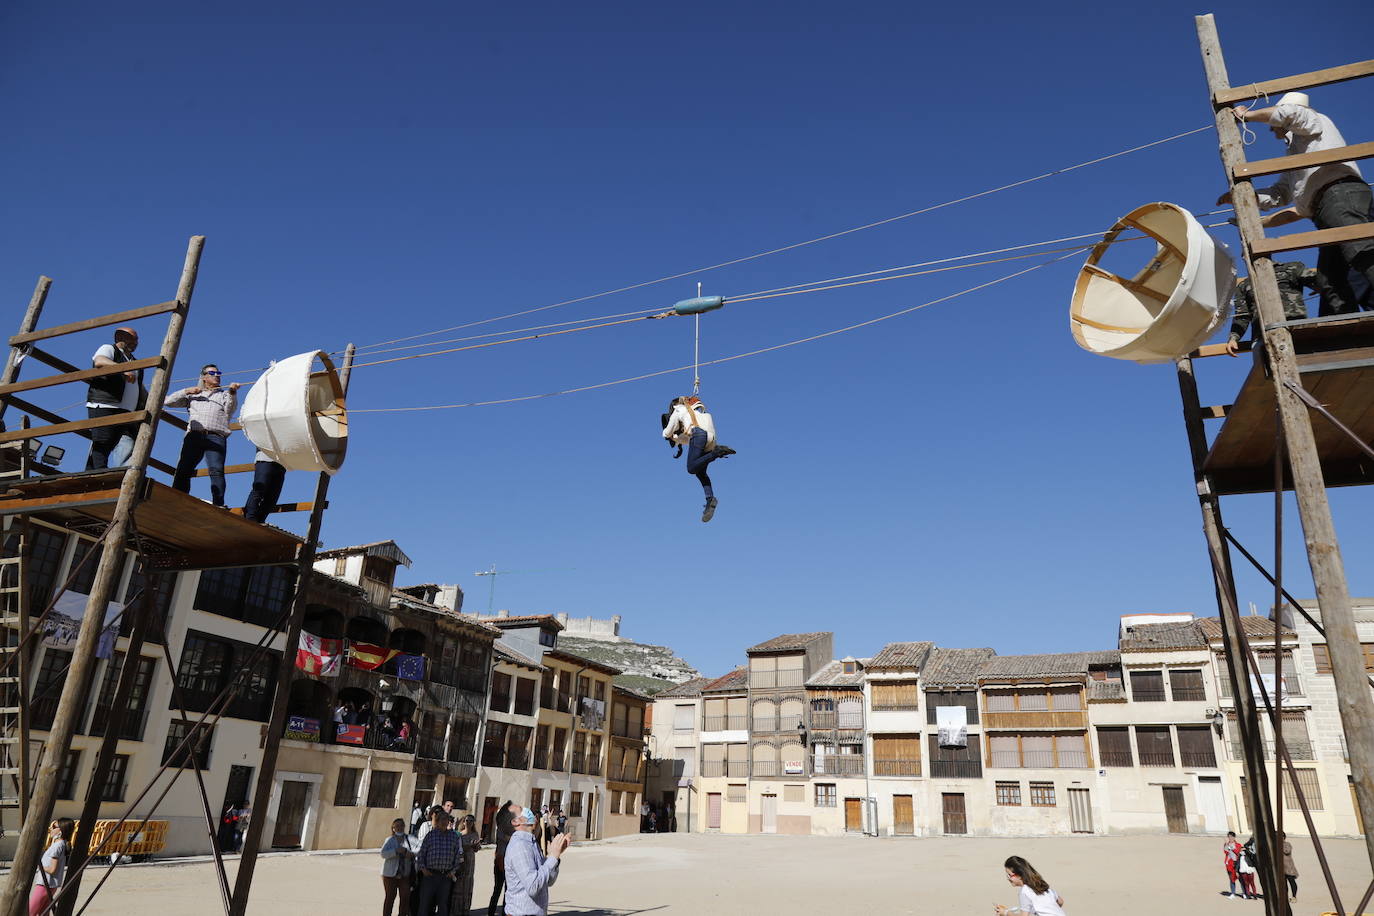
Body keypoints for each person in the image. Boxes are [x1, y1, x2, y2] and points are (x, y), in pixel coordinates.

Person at [1220, 93, 1374, 317]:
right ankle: (1346, 331)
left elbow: (1288, 114)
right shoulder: (1296, 152)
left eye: (1274, 125)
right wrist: (1243, 198)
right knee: (1329, 278)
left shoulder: (1313, 120)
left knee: (1360, 251)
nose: (1272, 131)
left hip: (1339, 194)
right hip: (1325, 207)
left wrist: (1248, 115)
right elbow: (1279, 194)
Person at [165, 364, 240, 506]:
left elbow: (230, 410)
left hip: (216, 436)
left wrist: (232, 392)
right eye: (212, 373)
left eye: (218, 372)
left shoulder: (224, 394)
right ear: (204, 377)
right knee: (184, 469)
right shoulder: (194, 394)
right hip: (194, 435)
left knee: (216, 470)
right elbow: (168, 402)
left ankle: (218, 504)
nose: (217, 375)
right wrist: (186, 390)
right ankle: (176, 500)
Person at [1224, 263, 1331, 355]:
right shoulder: (1244, 285)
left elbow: (1320, 281)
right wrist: (1234, 338)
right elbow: (1242, 315)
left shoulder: (1291, 268)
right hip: (1263, 336)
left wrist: (1320, 286)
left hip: (1297, 328)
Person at [661, 395, 736, 523]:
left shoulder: (678, 409)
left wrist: (667, 435)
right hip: (710, 440)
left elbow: (667, 432)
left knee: (691, 468)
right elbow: (690, 439)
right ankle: (710, 499)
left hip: (699, 436)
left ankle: (716, 453)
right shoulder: (701, 415)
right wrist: (677, 440)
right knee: (700, 472)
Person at [85, 327, 146, 470]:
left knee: (124, 442)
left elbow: (140, 388)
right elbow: (100, 361)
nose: (136, 342)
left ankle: (93, 474)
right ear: (120, 337)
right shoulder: (108, 348)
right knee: (103, 441)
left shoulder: (134, 362)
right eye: (133, 338)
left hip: (126, 411)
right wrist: (123, 369)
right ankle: (97, 475)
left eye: (136, 339)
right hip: (106, 405)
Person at [504, 807, 569, 916]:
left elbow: (548, 880)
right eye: (522, 810)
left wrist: (556, 857)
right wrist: (552, 857)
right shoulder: (520, 845)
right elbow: (533, 886)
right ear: (515, 822)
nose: (530, 812)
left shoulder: (532, 843)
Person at [415, 809, 462, 916]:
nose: (445, 822)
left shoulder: (454, 837)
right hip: (430, 876)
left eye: (447, 819)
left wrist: (453, 871)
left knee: (443, 906)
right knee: (424, 905)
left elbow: (457, 856)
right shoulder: (430, 836)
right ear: (437, 821)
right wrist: (423, 869)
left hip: (445, 876)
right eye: (442, 819)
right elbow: (421, 854)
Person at [30, 817, 74, 916]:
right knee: (44, 913)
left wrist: (38, 866)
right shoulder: (61, 845)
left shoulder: (57, 846)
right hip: (51, 885)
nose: (51, 828)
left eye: (54, 826)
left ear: (61, 830)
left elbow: (52, 869)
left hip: (44, 885)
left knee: (30, 912)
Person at [995, 855, 1066, 916]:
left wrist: (1006, 912)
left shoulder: (1024, 891)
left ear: (1019, 875)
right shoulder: (1040, 884)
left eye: (1009, 875)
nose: (1008, 878)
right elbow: (1060, 901)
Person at [382, 817, 420, 916]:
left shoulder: (410, 838)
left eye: (401, 825)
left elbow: (421, 848)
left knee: (405, 898)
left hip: (405, 874)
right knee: (390, 897)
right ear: (393, 828)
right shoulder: (390, 840)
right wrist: (395, 851)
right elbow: (383, 854)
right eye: (396, 826)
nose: (399, 828)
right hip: (390, 875)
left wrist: (411, 853)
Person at [487, 801, 519, 916]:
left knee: (508, 891)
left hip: (509, 862)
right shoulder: (501, 828)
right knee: (498, 890)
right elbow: (506, 838)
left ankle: (505, 912)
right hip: (501, 860)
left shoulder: (510, 827)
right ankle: (491, 912)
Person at [242, 451, 286, 523]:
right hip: (265, 459)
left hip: (282, 463)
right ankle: (250, 518)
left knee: (273, 496)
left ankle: (260, 520)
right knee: (259, 489)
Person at [450, 814, 481, 916]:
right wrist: (467, 847)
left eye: (471, 821)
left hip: (470, 862)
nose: (469, 822)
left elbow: (477, 849)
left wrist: (476, 846)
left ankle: (465, 909)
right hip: (461, 862)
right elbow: (456, 849)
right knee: (459, 885)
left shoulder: (475, 834)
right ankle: (456, 911)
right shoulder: (459, 835)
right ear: (463, 822)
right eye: (467, 820)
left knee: (468, 885)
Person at [1223, 830, 1243, 898]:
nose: (1230, 838)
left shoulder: (1238, 845)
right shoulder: (1227, 844)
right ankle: (1233, 893)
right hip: (1229, 864)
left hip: (1236, 864)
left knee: (1240, 879)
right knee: (1231, 879)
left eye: (1231, 837)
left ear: (1234, 837)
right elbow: (1226, 852)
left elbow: (1237, 852)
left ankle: (1244, 893)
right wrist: (1226, 845)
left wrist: (1231, 847)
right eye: (1229, 837)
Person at [1281, 832, 1299, 900]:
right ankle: (1285, 897)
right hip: (1281, 868)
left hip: (1289, 867)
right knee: (1284, 884)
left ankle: (1294, 896)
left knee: (1292, 882)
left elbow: (1287, 851)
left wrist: (1280, 845)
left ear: (1284, 837)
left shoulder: (1287, 844)